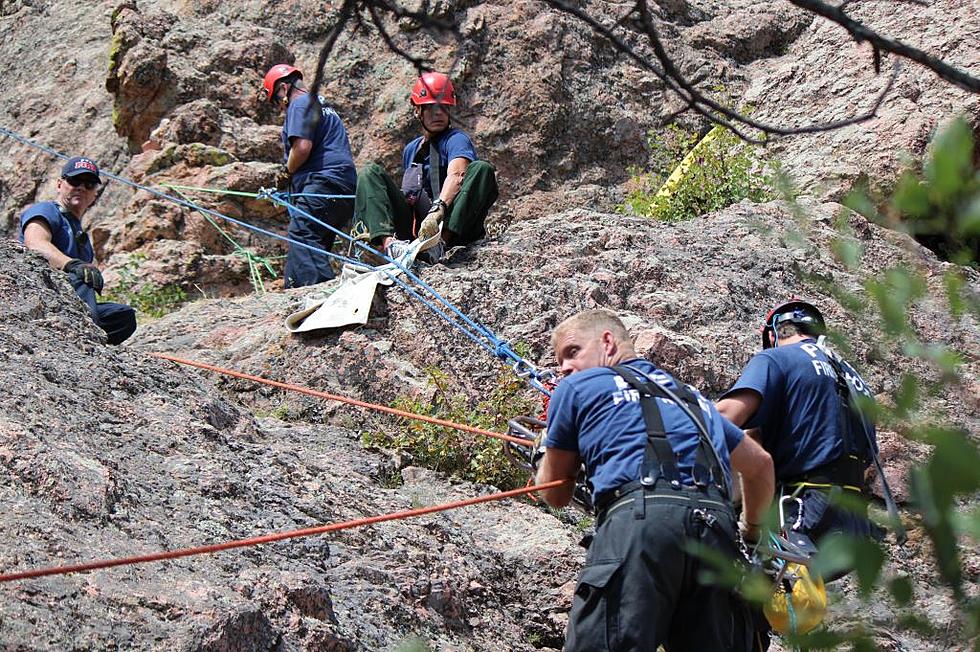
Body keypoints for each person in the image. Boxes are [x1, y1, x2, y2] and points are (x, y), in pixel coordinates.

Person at [536, 309, 775, 652]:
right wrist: (751, 534)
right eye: (560, 361)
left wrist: (542, 455)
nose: (564, 368)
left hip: (640, 523)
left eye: (572, 351)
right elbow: (761, 465)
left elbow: (555, 491)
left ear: (607, 341)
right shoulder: (695, 400)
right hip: (716, 532)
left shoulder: (577, 387)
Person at [715, 300, 882, 558]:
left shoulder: (776, 358)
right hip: (854, 525)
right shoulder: (857, 382)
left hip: (803, 511)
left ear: (773, 334)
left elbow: (725, 417)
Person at [352, 71, 499, 264]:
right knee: (369, 173)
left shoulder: (456, 140)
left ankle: (441, 246)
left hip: (453, 226)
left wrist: (438, 210)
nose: (437, 113)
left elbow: (457, 174)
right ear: (417, 111)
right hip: (419, 229)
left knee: (482, 169)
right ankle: (390, 245)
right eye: (430, 107)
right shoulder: (411, 150)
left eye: (442, 107)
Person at [19, 157, 137, 345]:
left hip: (68, 299)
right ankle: (84, 336)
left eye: (89, 184)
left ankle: (89, 332)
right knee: (80, 279)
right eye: (74, 181)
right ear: (59, 184)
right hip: (41, 288)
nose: (81, 187)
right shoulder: (47, 210)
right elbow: (34, 243)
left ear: (94, 195)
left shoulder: (80, 232)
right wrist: (72, 265)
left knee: (123, 316)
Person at [262, 63, 358, 288]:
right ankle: (294, 289)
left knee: (302, 231)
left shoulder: (299, 104)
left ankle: (319, 293)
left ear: (284, 89)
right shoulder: (322, 104)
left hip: (323, 181)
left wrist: (287, 171)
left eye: (276, 101)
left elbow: (302, 147)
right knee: (312, 243)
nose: (280, 109)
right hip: (343, 185)